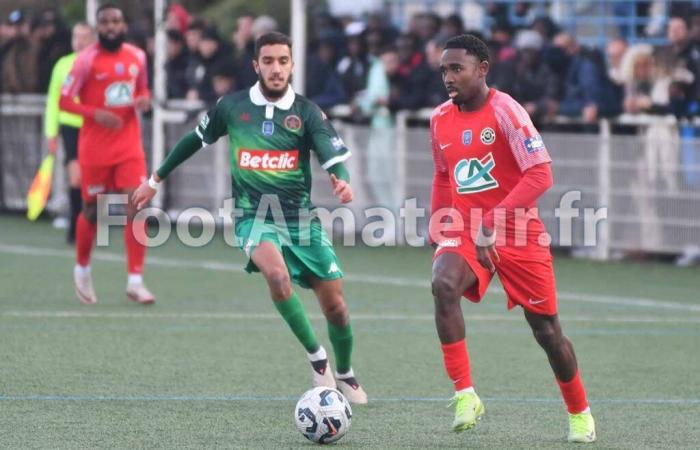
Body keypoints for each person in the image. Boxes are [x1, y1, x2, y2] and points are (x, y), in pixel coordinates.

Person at [132, 32, 368, 404]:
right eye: (269, 61)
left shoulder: (306, 111)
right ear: (256, 65)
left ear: (292, 65)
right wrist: (154, 180)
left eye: (283, 61)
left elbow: (332, 155)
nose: (277, 69)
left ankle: (345, 371)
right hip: (251, 215)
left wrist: (344, 182)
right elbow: (193, 140)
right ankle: (317, 358)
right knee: (276, 275)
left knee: (336, 308)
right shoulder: (232, 107)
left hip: (301, 219)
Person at [429, 34, 596, 442]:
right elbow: (443, 175)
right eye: (444, 70)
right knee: (442, 283)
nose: (449, 77)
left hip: (519, 235)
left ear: (482, 69)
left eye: (457, 68)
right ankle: (466, 394)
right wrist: (439, 225)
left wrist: (494, 222)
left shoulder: (507, 112)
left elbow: (540, 173)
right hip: (467, 230)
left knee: (548, 333)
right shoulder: (439, 118)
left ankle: (579, 412)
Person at [59, 3, 154, 305]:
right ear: (98, 28)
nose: (111, 26)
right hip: (95, 148)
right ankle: (82, 268)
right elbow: (65, 100)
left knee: (137, 204)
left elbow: (143, 90)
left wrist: (144, 102)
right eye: (106, 22)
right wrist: (95, 113)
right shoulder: (85, 61)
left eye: (116, 21)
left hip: (128, 145)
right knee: (91, 211)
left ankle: (136, 281)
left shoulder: (137, 56)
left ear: (123, 26)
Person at [44, 22, 95, 243]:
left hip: (94, 127)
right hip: (70, 126)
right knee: (76, 177)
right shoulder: (62, 65)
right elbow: (53, 100)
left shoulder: (98, 64)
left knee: (93, 179)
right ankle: (76, 225)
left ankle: (90, 223)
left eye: (84, 37)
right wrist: (51, 133)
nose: (80, 41)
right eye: (76, 36)